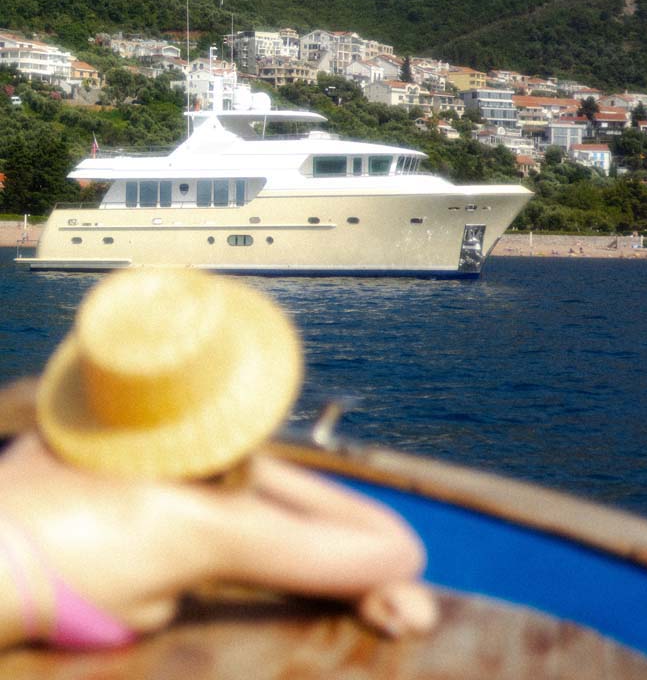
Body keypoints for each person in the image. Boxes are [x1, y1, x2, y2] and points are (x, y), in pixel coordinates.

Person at [0, 268, 437, 651]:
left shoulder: (35, 444)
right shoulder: (182, 517)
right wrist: (241, 453)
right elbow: (396, 549)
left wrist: (352, 588)